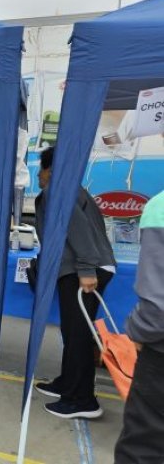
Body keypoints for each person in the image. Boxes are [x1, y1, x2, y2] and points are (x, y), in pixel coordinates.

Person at [33, 145, 116, 419]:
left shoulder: (58, 190)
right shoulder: (71, 189)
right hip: (83, 266)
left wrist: (85, 268)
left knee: (78, 335)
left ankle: (83, 400)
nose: (38, 176)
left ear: (51, 169)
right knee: (73, 331)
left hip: (83, 269)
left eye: (41, 169)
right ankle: (68, 384)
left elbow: (76, 229)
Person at [114, 190, 164, 462]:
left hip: (160, 358)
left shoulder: (160, 208)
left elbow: (158, 309)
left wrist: (135, 332)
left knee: (143, 451)